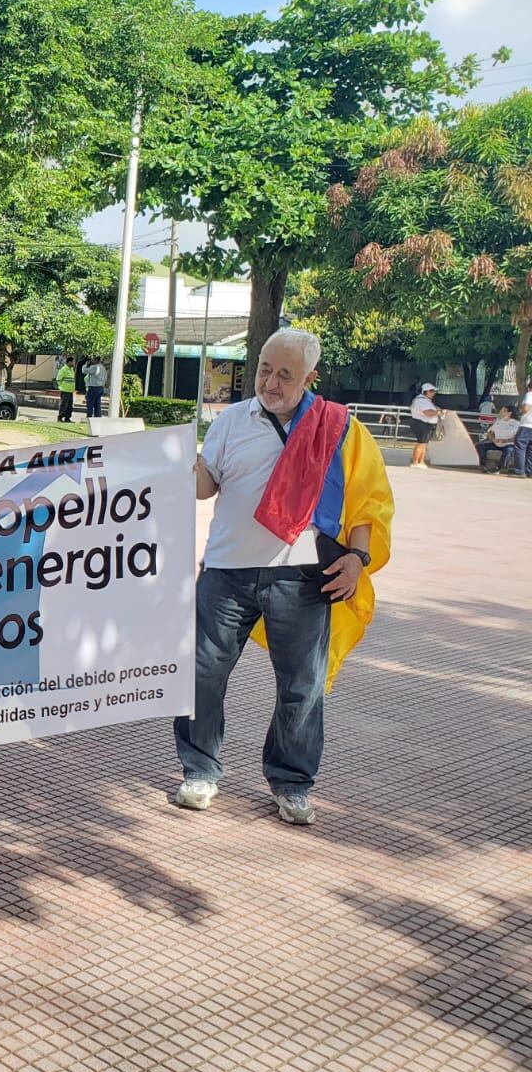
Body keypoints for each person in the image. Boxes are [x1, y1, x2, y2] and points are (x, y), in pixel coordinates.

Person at [177, 328, 393, 828]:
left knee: (302, 686)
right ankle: (200, 771)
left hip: (300, 576)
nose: (270, 383)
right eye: (264, 370)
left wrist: (358, 558)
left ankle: (292, 782)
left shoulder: (338, 428)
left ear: (311, 378)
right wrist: (180, 467)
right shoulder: (231, 420)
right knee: (202, 674)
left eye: (285, 375)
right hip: (228, 572)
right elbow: (206, 486)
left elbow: (367, 500)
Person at [408, 382, 441, 468]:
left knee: (424, 443)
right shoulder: (422, 401)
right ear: (426, 392)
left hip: (424, 423)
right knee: (421, 443)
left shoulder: (423, 400)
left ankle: (420, 462)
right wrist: (438, 412)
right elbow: (427, 413)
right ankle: (415, 462)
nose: (433, 393)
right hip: (422, 423)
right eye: (432, 391)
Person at [476, 405, 519, 471]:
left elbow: (517, 437)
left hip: (509, 444)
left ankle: (501, 467)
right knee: (480, 446)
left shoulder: (516, 423)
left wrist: (505, 440)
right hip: (496, 443)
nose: (501, 412)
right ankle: (483, 465)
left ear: (509, 413)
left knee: (508, 450)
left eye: (503, 411)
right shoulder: (498, 421)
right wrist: (494, 439)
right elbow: (490, 433)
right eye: (501, 410)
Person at [505, 391, 532, 477]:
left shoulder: (530, 394)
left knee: (520, 446)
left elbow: (525, 409)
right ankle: (529, 471)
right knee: (531, 449)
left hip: (527, 425)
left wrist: (521, 408)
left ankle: (519, 470)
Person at [54, 357, 77, 422]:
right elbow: (58, 379)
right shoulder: (63, 369)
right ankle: (60, 417)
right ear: (69, 362)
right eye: (73, 362)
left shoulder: (71, 370)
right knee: (64, 405)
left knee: (69, 405)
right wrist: (62, 386)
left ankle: (67, 418)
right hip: (65, 390)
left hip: (70, 390)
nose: (74, 363)